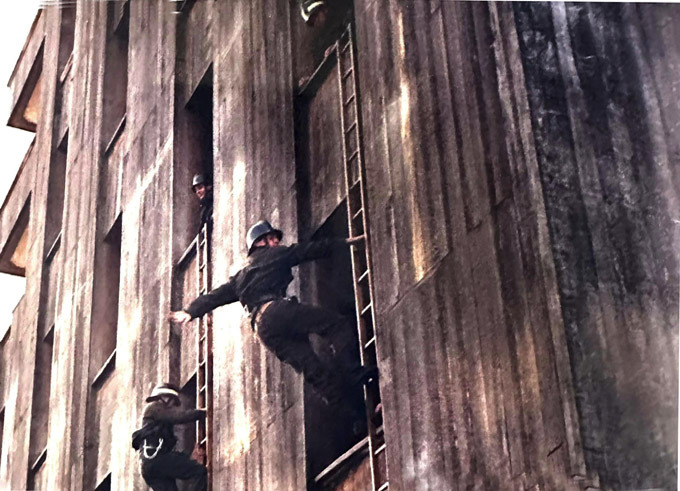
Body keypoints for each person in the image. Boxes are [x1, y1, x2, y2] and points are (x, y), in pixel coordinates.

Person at [168, 220, 377, 417]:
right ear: (260, 242)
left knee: (314, 371)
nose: (277, 241)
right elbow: (309, 250)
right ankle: (356, 373)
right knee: (335, 325)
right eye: (272, 238)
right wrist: (346, 242)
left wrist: (190, 311)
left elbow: (215, 296)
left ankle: (359, 416)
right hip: (276, 311)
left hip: (263, 330)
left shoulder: (240, 277)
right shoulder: (275, 254)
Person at [131, 384, 207, 491]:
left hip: (149, 466)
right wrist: (202, 413)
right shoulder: (154, 407)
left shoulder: (157, 420)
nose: (173, 407)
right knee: (198, 471)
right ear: (165, 398)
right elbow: (179, 417)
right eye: (173, 402)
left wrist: (189, 457)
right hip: (157, 460)